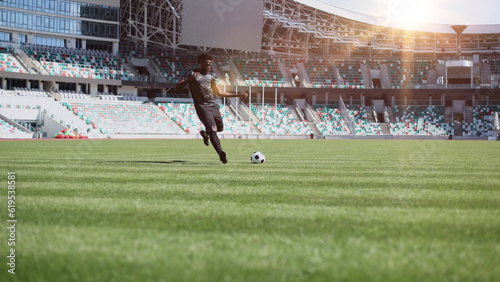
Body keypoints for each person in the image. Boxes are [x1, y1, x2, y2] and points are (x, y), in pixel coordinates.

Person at [175, 53, 248, 164]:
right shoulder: (191, 73)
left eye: (210, 64)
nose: (208, 66)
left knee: (220, 128)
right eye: (207, 64)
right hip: (202, 106)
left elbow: (220, 92)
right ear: (201, 62)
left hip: (213, 106)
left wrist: (238, 95)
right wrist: (190, 79)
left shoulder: (210, 77)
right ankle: (220, 153)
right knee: (213, 129)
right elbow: (177, 86)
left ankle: (205, 134)